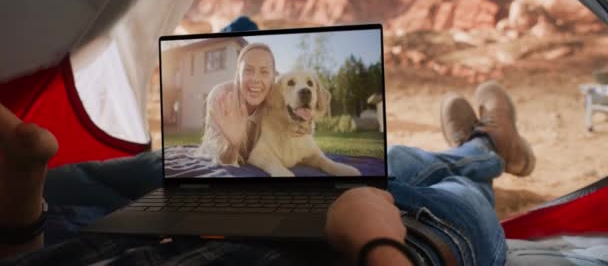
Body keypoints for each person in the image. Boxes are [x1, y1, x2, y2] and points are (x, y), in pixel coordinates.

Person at [1, 81, 606, 265]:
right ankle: (484, 150)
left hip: (80, 231)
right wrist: (373, 244)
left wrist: (21, 215)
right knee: (449, 204)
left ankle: (481, 149)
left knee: (388, 161)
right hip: (334, 250)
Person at [195, 43, 310, 166]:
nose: (255, 79)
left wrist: (303, 125)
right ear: (237, 75)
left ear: (273, 79)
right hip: (216, 158)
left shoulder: (278, 101)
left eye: (264, 72)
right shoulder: (221, 96)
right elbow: (223, 161)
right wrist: (233, 146)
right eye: (248, 70)